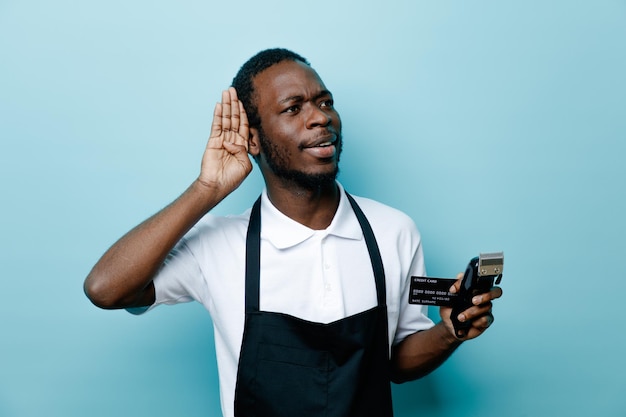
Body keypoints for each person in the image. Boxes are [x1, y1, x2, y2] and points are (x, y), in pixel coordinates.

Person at [84, 48, 502, 417]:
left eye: (325, 102)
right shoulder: (218, 245)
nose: (320, 117)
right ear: (253, 137)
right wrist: (206, 190)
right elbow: (106, 289)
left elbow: (395, 362)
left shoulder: (394, 231)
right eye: (293, 108)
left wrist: (450, 332)